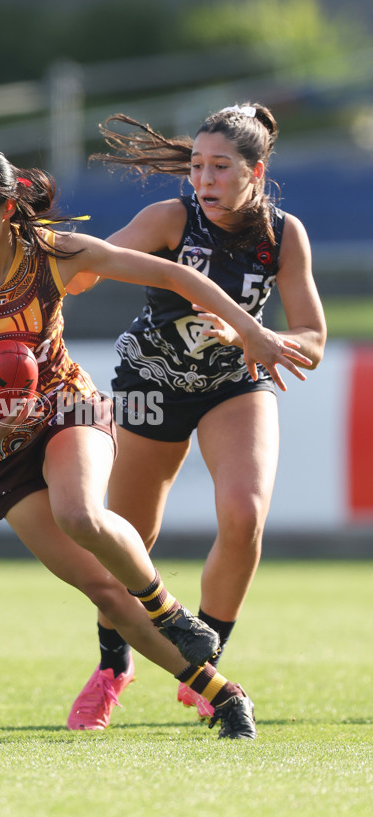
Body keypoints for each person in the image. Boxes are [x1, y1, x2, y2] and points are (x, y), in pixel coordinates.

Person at [0, 146, 312, 739]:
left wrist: (251, 329)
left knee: (82, 513)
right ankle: (224, 696)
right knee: (108, 593)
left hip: (69, 407)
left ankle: (171, 613)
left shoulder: (52, 254)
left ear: (9, 208)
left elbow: (173, 274)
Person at [66, 104, 326, 731]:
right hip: (151, 385)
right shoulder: (168, 219)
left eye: (220, 167)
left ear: (256, 171)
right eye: (197, 167)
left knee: (243, 516)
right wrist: (66, 263)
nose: (203, 180)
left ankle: (207, 664)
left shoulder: (284, 236)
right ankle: (112, 667)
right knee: (129, 540)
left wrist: (248, 335)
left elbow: (313, 342)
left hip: (235, 386)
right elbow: (86, 271)